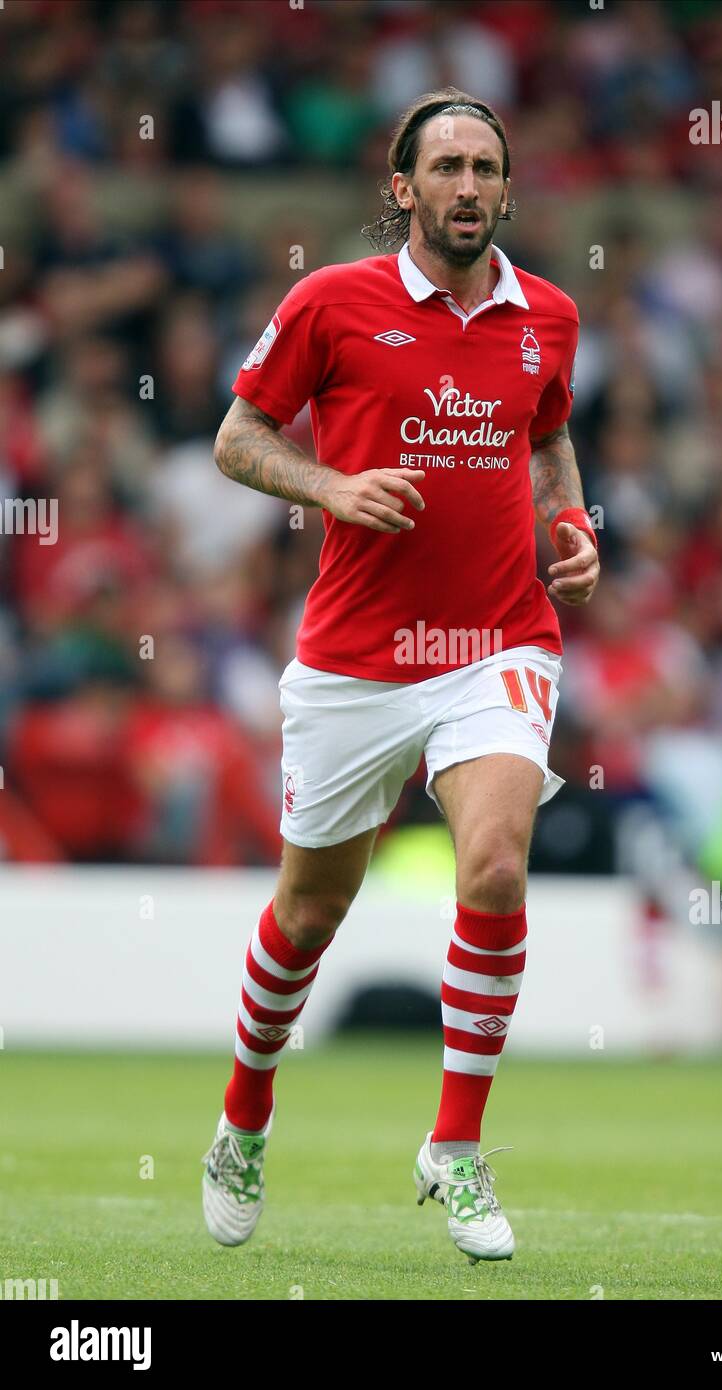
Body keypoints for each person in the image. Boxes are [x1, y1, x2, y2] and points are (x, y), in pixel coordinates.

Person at [201, 87, 599, 1266]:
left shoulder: (550, 317)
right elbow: (236, 437)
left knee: (492, 863)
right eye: (446, 167)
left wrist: (572, 527)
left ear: (506, 186)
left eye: (485, 166)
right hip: (355, 661)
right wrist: (332, 487)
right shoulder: (330, 302)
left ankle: (455, 1145)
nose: (467, 186)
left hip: (497, 642)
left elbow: (548, 435)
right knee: (308, 913)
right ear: (402, 187)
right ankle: (244, 1115)